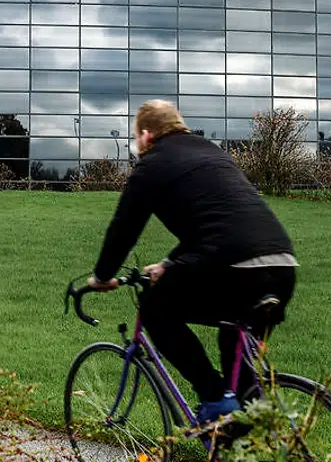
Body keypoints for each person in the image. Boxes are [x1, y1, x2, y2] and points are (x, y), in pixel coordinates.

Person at [88, 99, 298, 427]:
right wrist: (168, 264)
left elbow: (124, 228)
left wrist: (102, 276)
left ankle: (212, 398)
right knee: (238, 359)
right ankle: (250, 440)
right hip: (282, 265)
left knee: (155, 310)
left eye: (136, 136)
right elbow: (216, 223)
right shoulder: (212, 153)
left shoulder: (152, 164)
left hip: (234, 268)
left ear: (146, 134)